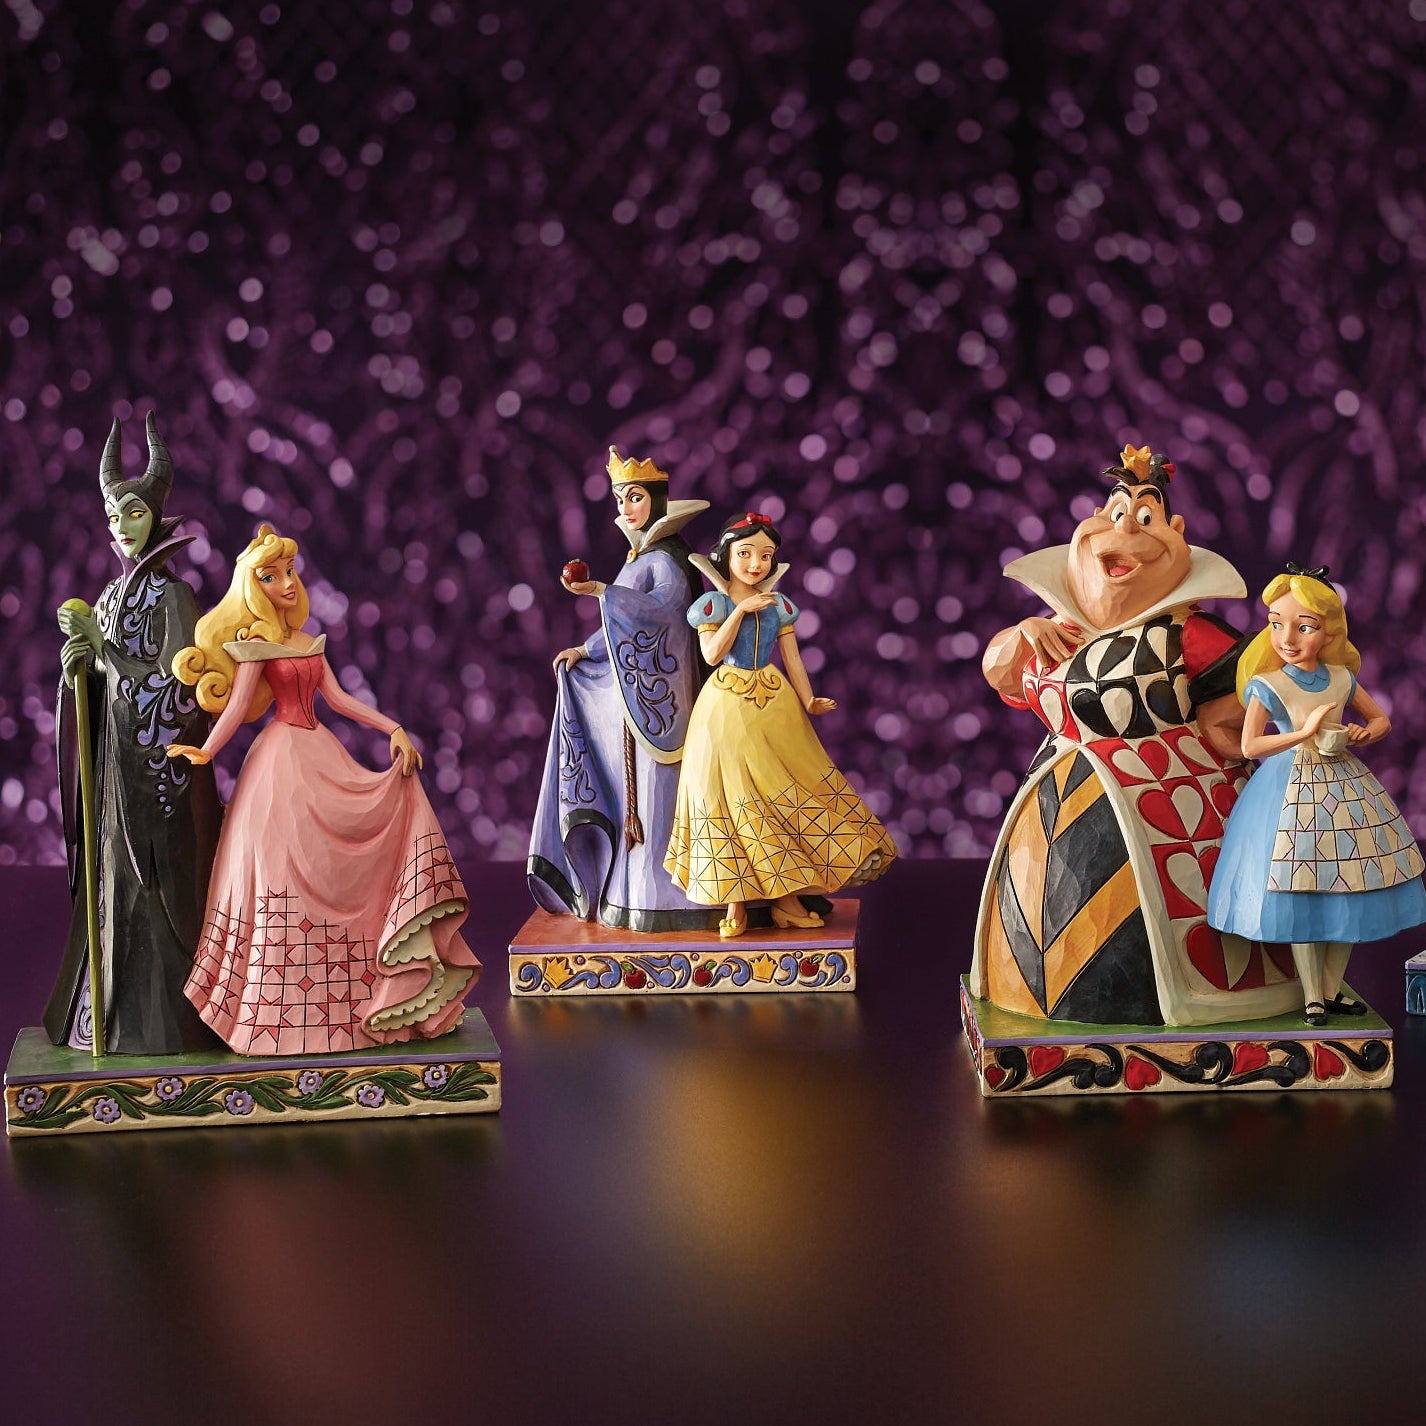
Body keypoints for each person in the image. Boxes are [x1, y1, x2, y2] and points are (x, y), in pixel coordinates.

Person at [970, 444, 1304, 1027]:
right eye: (1114, 511)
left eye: (1146, 516)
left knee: (1166, 947)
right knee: (1042, 947)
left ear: (1178, 535)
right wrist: (1025, 632)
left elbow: (1245, 707)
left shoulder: (1188, 634)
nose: (1124, 528)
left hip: (1174, 811)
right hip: (1051, 816)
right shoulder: (1055, 631)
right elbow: (1000, 673)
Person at [167, 526, 478, 1055]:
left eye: (289, 572)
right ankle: (274, 1015)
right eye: (272, 577)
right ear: (254, 588)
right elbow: (237, 708)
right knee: (283, 874)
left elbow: (339, 698)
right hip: (279, 766)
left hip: (320, 752)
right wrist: (205, 751)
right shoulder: (256, 647)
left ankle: (358, 1003)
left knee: (352, 850)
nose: (287, 583)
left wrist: (393, 728)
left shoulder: (307, 642)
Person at [44, 413, 222, 1054]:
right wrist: (79, 674)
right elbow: (103, 684)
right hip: (112, 780)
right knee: (109, 889)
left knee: (157, 896)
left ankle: (170, 1027)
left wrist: (106, 654)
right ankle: (105, 1018)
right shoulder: (110, 599)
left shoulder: (175, 598)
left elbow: (178, 694)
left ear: (156, 518)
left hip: (155, 789)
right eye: (114, 516)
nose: (122, 526)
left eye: (134, 514)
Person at [1207, 566, 1426, 1024]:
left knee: (1352, 880)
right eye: (1276, 624)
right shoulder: (1269, 684)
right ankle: (1311, 995)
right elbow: (1251, 745)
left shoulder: (1341, 677)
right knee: (1299, 887)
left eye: (1303, 627)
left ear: (1328, 633)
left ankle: (1329, 989)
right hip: (1287, 789)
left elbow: (1382, 719)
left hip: (1344, 785)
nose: (1287, 638)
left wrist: (1364, 733)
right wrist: (1303, 733)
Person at [663, 511, 896, 937]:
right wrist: (740, 611)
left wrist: (808, 699)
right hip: (725, 708)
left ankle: (786, 901)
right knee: (731, 797)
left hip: (774, 703)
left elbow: (793, 659)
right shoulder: (713, 606)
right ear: (726, 555)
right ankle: (735, 903)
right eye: (746, 553)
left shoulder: (780, 607)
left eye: (766, 555)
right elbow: (712, 654)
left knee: (783, 791)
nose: (756, 563)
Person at [527, 446, 715, 931]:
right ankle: (632, 896)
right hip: (638, 692)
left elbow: (663, 612)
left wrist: (600, 592)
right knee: (640, 798)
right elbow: (620, 623)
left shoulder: (667, 560)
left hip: (664, 694)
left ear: (656, 500)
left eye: (635, 497)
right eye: (619, 499)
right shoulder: (641, 559)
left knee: (659, 796)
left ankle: (668, 899)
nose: (626, 508)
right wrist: (587, 649)